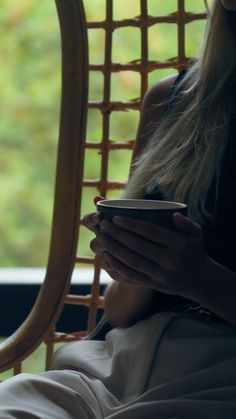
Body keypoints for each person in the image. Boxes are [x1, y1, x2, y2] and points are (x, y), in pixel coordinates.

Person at [0, 0, 236, 417]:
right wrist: (131, 257)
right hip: (109, 369)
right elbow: (120, 311)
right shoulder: (175, 101)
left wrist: (200, 279)